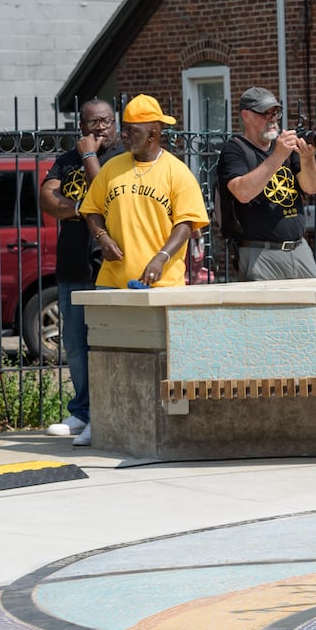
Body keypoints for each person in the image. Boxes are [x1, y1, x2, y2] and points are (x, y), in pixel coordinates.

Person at [76, 94, 210, 447]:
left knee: (162, 360)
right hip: (112, 281)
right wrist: (102, 237)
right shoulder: (112, 168)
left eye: (132, 131)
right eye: (125, 130)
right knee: (104, 357)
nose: (124, 137)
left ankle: (167, 425)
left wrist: (162, 257)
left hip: (162, 285)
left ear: (153, 133)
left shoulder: (177, 172)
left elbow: (186, 223)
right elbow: (91, 209)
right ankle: (99, 420)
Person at [39, 99, 123, 439]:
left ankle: (106, 414)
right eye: (92, 122)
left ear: (115, 123)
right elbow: (47, 198)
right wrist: (80, 209)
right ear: (81, 126)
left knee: (110, 344)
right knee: (75, 345)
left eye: (105, 121)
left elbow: (108, 197)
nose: (100, 128)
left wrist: (90, 157)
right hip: (73, 264)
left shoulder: (121, 159)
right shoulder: (65, 160)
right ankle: (83, 413)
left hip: (110, 266)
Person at [218, 86, 316, 281]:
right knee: (267, 311)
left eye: (275, 113)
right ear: (246, 116)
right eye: (265, 113)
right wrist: (278, 156)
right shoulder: (234, 150)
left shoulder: (285, 147)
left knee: (314, 308)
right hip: (260, 253)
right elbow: (242, 192)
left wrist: (308, 159)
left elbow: (311, 187)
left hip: (299, 249)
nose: (273, 119)